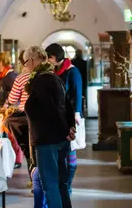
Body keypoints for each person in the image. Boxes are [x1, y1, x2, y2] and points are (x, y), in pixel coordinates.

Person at [23, 45, 75, 208]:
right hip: (59, 138)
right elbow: (67, 105)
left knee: (51, 185)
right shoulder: (53, 76)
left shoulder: (41, 80)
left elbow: (50, 109)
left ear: (31, 61)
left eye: (25, 63)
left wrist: (66, 130)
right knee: (61, 185)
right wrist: (69, 127)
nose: (25, 67)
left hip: (48, 140)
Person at [45, 43, 83, 195]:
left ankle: (67, 184)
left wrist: (77, 113)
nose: (47, 60)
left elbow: (78, 92)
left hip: (71, 116)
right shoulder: (54, 71)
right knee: (62, 152)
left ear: (55, 57)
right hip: (58, 116)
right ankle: (63, 183)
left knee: (71, 151)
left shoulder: (72, 71)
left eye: (49, 57)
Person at [3, 50, 31, 169]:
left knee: (28, 149)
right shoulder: (48, 75)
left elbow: (13, 99)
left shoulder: (21, 78)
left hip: (25, 115)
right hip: (43, 118)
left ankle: (34, 180)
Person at [71, 49, 89, 116]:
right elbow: (86, 74)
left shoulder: (72, 62)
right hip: (83, 82)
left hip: (73, 82)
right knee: (81, 97)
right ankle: (81, 111)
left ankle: (74, 111)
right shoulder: (84, 62)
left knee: (74, 96)